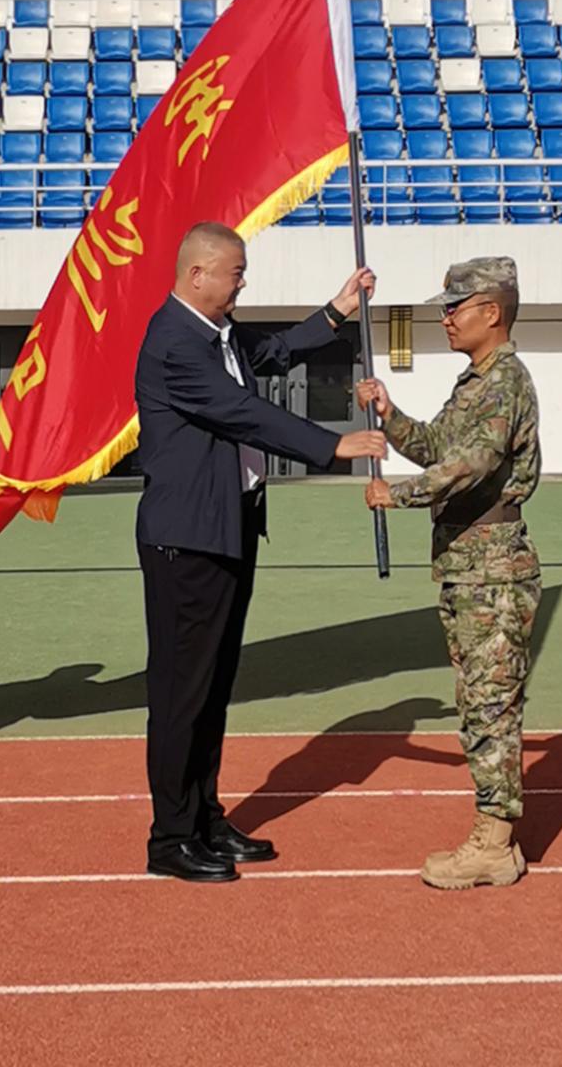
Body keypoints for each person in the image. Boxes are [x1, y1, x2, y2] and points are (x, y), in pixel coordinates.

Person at [130, 222, 383, 883]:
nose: (243, 282)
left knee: (212, 687)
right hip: (186, 539)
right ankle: (171, 837)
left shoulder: (218, 334)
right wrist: (331, 445)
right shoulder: (173, 342)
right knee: (182, 693)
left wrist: (337, 311)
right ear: (198, 275)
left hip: (229, 526)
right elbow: (240, 410)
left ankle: (205, 818)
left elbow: (272, 351)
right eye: (236, 272)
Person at [358, 257, 541, 890]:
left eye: (455, 308)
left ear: (491, 312)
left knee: (490, 704)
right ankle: (496, 832)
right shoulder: (476, 382)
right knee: (478, 700)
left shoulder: (505, 381)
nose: (446, 318)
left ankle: (494, 843)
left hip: (492, 565)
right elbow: (437, 445)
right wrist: (389, 414)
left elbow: (473, 463)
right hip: (468, 563)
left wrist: (399, 495)